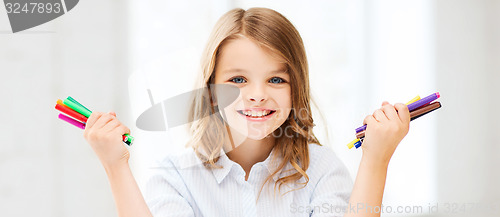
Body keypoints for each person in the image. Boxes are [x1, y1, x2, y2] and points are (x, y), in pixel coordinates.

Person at [83, 7, 410, 217]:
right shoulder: (175, 177)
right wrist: (115, 166)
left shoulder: (322, 170)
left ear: (297, 88)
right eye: (237, 79)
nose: (257, 95)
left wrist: (376, 160)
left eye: (276, 79)